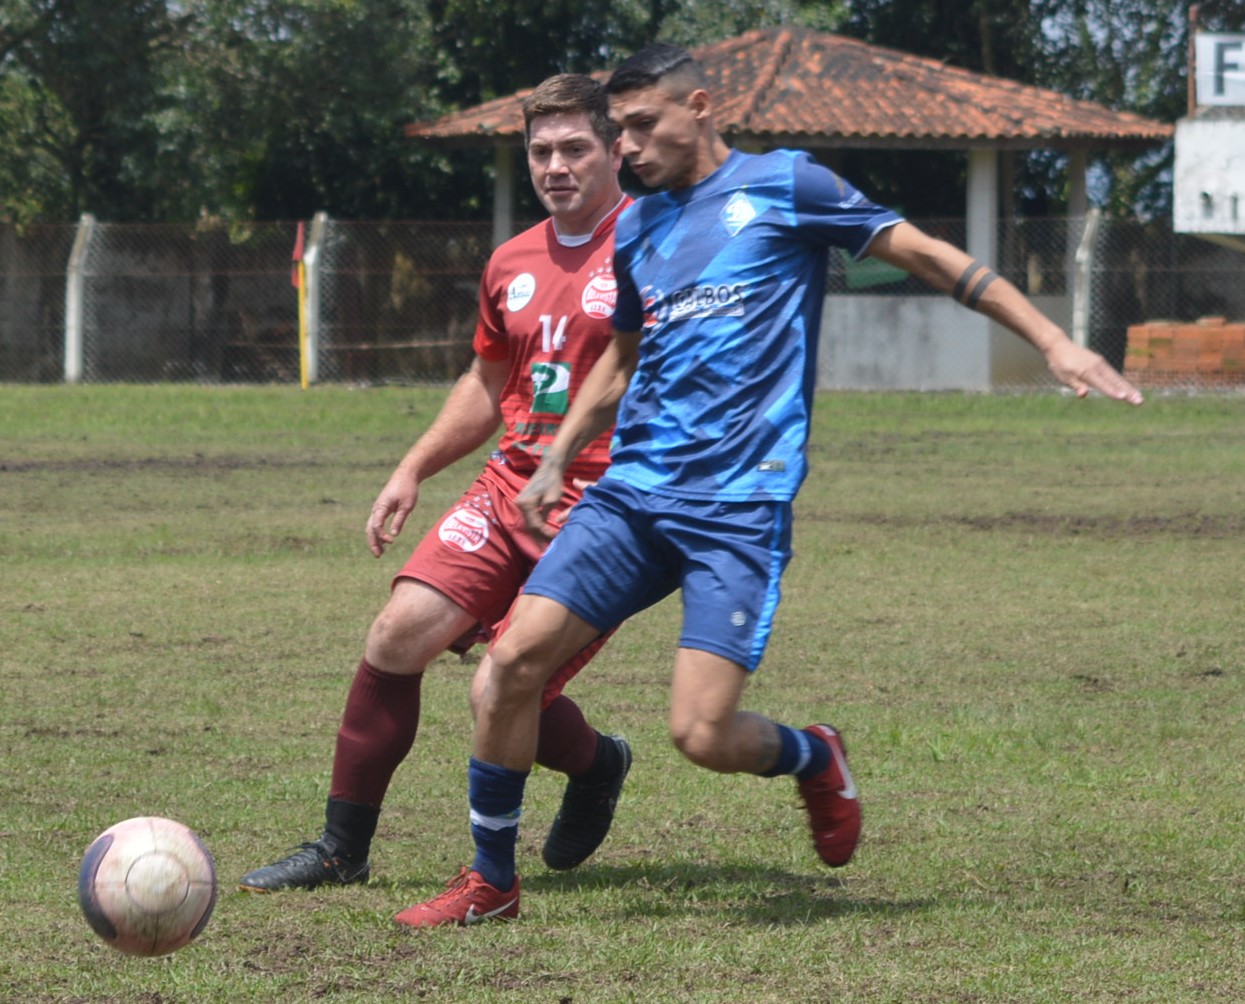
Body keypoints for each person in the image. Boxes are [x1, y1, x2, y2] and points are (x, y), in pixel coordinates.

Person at [393, 43, 1144, 928]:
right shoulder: (636, 227)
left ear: (700, 106)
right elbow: (624, 358)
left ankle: (812, 756)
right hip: (631, 496)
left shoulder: (789, 187)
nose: (625, 148)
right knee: (510, 664)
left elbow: (930, 257)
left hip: (737, 512)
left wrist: (1051, 340)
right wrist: (559, 454)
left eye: (640, 126)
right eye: (617, 131)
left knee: (701, 735)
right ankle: (491, 884)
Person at [240, 73, 634, 893]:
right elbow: (487, 384)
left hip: (605, 508)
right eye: (540, 151)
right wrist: (412, 467)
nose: (554, 165)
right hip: (505, 490)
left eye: (573, 148)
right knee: (395, 636)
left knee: (503, 681)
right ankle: (341, 851)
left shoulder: (656, 245)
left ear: (615, 148)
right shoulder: (512, 261)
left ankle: (596, 765)